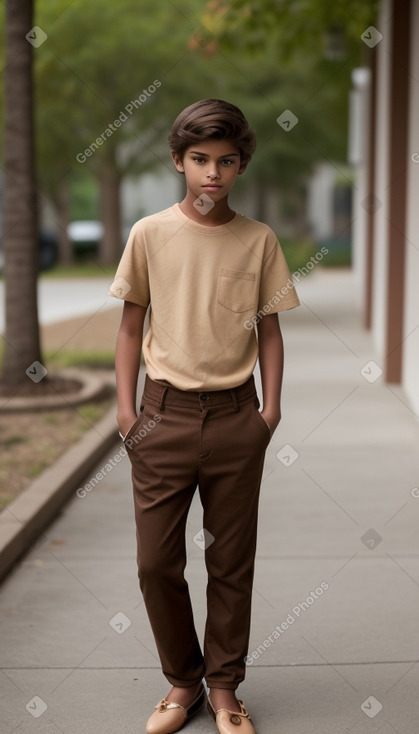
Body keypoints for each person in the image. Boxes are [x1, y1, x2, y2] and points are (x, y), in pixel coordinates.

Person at [109, 98, 300, 734]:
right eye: (199, 160)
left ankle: (224, 689)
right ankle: (181, 681)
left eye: (225, 161)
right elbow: (131, 326)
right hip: (161, 418)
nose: (212, 173)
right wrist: (125, 411)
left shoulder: (259, 240)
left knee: (230, 561)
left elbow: (269, 332)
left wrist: (269, 412)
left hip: (236, 418)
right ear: (178, 162)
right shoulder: (149, 234)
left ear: (241, 166)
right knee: (155, 562)